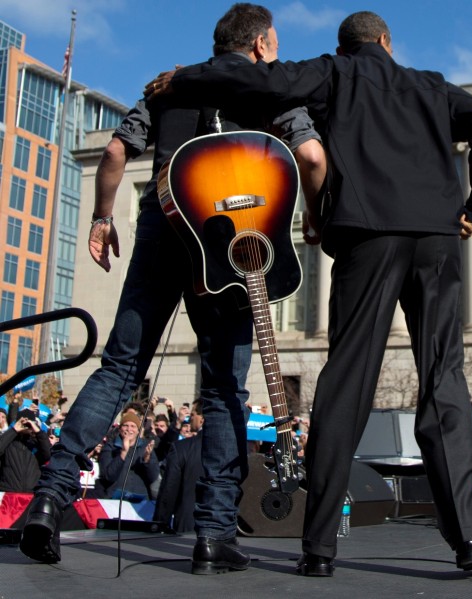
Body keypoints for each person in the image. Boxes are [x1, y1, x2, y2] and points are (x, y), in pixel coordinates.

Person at [147, 10, 472, 576]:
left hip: (368, 236)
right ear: (387, 42)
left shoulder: (332, 74)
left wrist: (185, 77)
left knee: (348, 379)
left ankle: (318, 548)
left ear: (345, 48)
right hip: (437, 240)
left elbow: (255, 79)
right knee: (444, 378)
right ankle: (469, 539)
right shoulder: (432, 85)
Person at [20, 3, 325, 574]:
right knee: (223, 390)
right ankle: (212, 535)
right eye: (274, 43)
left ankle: (48, 499)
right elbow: (310, 155)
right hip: (234, 242)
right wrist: (308, 214)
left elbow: (114, 153)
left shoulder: (168, 85)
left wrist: (101, 218)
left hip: (166, 224)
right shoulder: (275, 87)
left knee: (119, 369)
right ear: (261, 44)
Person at [153, 399, 205, 532]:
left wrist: (159, 524)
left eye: (193, 415)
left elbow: (169, 490)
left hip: (189, 526)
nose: (190, 418)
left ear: (202, 419)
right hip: (227, 527)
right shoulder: (234, 450)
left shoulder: (182, 448)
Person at [97, 413, 159, 500]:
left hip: (140, 501)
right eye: (125, 425)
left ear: (138, 430)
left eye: (133, 426)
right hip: (114, 499)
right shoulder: (110, 447)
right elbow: (108, 476)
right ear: (120, 428)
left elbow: (153, 477)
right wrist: (123, 452)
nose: (129, 429)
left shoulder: (145, 447)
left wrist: (147, 458)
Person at [0, 409, 51, 493]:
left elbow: (48, 454)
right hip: (8, 493)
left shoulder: (37, 443)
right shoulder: (9, 441)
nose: (26, 426)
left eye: (29, 423)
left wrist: (38, 432)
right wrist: (14, 430)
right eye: (24, 423)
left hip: (30, 493)